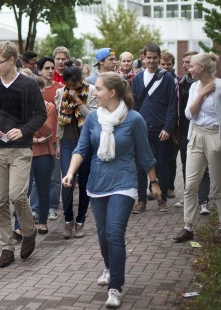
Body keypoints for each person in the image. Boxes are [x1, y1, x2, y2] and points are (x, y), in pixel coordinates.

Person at [62, 72, 160, 308]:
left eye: (98, 89)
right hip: (98, 183)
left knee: (115, 234)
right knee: (103, 235)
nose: (94, 92)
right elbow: (81, 148)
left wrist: (154, 182)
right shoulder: (94, 118)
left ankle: (115, 287)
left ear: (112, 92)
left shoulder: (134, 119)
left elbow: (146, 155)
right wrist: (70, 172)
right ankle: (108, 267)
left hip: (124, 183)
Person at [0, 41, 46, 268]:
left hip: (20, 150)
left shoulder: (27, 85)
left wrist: (24, 130)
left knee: (17, 195)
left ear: (10, 60)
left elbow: (40, 114)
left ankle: (28, 232)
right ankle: (6, 248)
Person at [173, 52, 221, 242]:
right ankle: (188, 227)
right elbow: (188, 114)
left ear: (202, 67)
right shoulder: (194, 87)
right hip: (196, 136)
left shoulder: (219, 87)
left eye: (192, 66)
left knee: (217, 188)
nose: (189, 69)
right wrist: (200, 95)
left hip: (215, 136)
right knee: (190, 184)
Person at [131, 43, 177, 214]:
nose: (151, 61)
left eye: (154, 57)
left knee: (162, 164)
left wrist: (168, 127)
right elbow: (133, 105)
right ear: (143, 57)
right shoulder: (137, 78)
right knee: (140, 165)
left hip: (161, 129)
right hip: (141, 128)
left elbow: (173, 106)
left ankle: (162, 199)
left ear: (159, 57)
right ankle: (141, 200)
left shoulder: (167, 79)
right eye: (148, 57)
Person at [56, 61, 97, 239]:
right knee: (67, 179)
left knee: (85, 182)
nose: (71, 87)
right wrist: (57, 143)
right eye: (68, 84)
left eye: (74, 84)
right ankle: (68, 219)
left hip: (86, 141)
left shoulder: (92, 90)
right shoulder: (60, 92)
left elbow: (93, 118)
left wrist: (78, 101)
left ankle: (80, 221)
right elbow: (60, 120)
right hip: (67, 141)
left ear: (81, 80)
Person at [13, 76, 56, 235]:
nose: (40, 91)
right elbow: (17, 133)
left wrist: (35, 114)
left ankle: (43, 222)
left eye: (41, 88)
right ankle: (18, 226)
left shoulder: (49, 107)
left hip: (44, 154)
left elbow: (48, 131)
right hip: (24, 153)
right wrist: (36, 139)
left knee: (44, 189)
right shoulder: (19, 107)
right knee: (22, 191)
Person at [173, 51, 211, 214]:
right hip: (185, 130)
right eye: (184, 62)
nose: (185, 65)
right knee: (187, 165)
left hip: (205, 131)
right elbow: (179, 109)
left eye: (189, 62)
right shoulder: (181, 83)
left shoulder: (209, 85)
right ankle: (190, 198)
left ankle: (203, 200)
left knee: (206, 169)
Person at [29, 57, 64, 223]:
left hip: (54, 138)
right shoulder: (32, 88)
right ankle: (35, 209)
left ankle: (52, 207)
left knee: (55, 178)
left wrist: (58, 138)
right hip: (33, 140)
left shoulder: (60, 90)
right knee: (36, 179)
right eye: (47, 68)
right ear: (40, 70)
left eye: (52, 68)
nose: (51, 71)